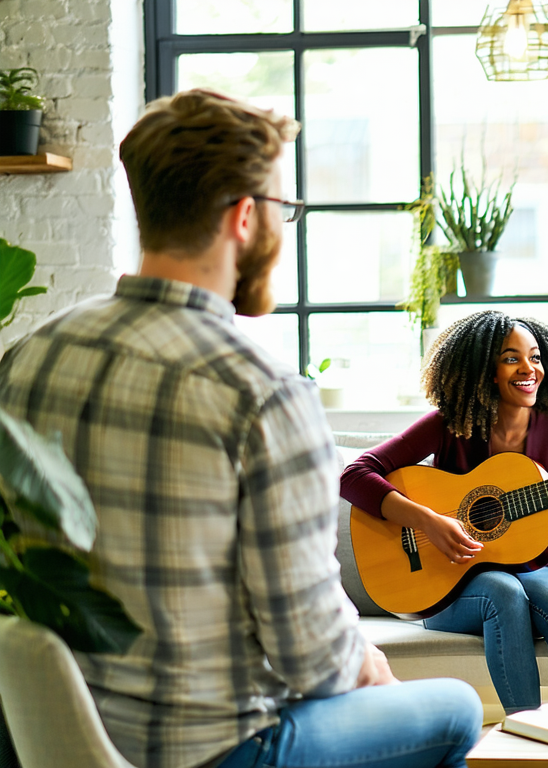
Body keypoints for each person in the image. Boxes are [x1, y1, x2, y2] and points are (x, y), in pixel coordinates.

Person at [0, 89, 483, 768]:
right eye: (284, 210)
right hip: (217, 751)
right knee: (456, 709)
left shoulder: (30, 355)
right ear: (246, 217)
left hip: (52, 741)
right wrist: (373, 670)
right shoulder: (261, 392)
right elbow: (311, 653)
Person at [341, 310, 548, 714]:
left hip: (542, 570)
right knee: (503, 590)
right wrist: (427, 520)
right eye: (511, 358)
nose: (528, 369)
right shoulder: (451, 424)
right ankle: (525, 739)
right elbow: (354, 474)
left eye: (535, 357)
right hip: (449, 581)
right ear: (484, 370)